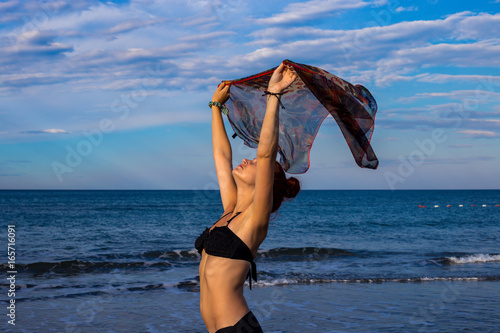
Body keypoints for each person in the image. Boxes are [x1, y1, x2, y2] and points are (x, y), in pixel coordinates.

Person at [195, 62, 301, 333]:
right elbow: (221, 157)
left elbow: (266, 153)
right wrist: (216, 108)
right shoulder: (230, 209)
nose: (246, 159)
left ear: (266, 180)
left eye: (252, 161)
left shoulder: (255, 219)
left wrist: (274, 94)